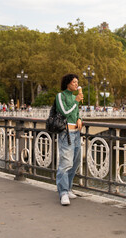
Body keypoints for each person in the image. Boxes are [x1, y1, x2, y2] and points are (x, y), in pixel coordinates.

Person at [55, 73, 84, 206]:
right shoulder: (61, 96)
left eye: (77, 82)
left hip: (76, 133)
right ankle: (63, 192)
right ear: (67, 83)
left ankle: (69, 187)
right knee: (65, 163)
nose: (76, 84)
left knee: (75, 161)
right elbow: (65, 112)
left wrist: (80, 119)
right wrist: (77, 101)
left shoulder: (74, 97)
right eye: (74, 82)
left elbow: (76, 114)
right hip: (65, 133)